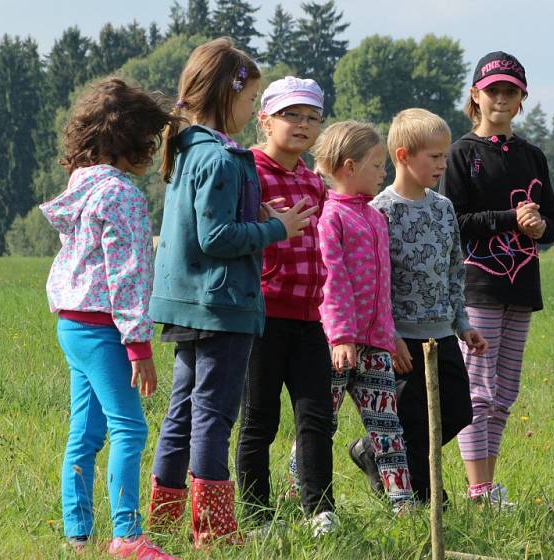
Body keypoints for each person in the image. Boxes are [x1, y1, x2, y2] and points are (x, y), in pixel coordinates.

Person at [147, 38, 316, 547]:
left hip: (185, 303)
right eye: (249, 100)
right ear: (226, 95)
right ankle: (214, 530)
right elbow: (215, 238)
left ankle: (164, 521)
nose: (250, 109)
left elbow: (205, 224)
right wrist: (276, 229)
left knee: (181, 413)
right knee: (214, 415)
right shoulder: (223, 158)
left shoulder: (187, 150)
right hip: (222, 306)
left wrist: (255, 217)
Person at [40, 78, 179, 559]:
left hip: (73, 324)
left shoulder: (81, 187)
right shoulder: (121, 196)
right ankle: (127, 537)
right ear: (131, 141)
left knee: (85, 430)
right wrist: (138, 347)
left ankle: (77, 533)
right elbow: (127, 274)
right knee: (130, 428)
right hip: (103, 328)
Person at [440, 51, 554, 506]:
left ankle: (487, 488)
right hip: (479, 288)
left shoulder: (533, 156)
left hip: (522, 286)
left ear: (522, 98)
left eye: (511, 91)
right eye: (494, 90)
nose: (502, 98)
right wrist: (511, 219)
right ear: (476, 95)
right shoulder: (460, 154)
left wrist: (539, 227)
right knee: (479, 389)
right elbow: (452, 220)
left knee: (505, 392)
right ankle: (478, 486)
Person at [349, 108, 488, 505]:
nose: (443, 165)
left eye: (444, 156)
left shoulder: (443, 208)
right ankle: (428, 500)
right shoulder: (379, 211)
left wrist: (463, 324)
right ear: (404, 156)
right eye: (434, 157)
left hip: (442, 332)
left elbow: (452, 270)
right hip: (400, 339)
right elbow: (375, 282)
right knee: (411, 420)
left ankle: (374, 450)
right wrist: (389, 336)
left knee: (458, 410)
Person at [235, 77, 337, 534]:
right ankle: (256, 515)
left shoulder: (314, 182)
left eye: (312, 117)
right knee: (260, 419)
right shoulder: (248, 171)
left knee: (317, 416)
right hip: (262, 316)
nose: (302, 125)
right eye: (290, 115)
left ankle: (320, 511)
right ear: (265, 120)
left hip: (309, 317)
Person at [313, 120, 414, 517]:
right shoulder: (330, 217)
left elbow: (383, 285)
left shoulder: (374, 218)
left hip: (375, 346)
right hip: (339, 346)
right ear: (349, 167)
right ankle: (297, 492)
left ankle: (402, 505)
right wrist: (341, 337)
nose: (383, 173)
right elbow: (331, 281)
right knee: (322, 426)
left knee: (387, 426)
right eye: (377, 165)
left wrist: (390, 337)